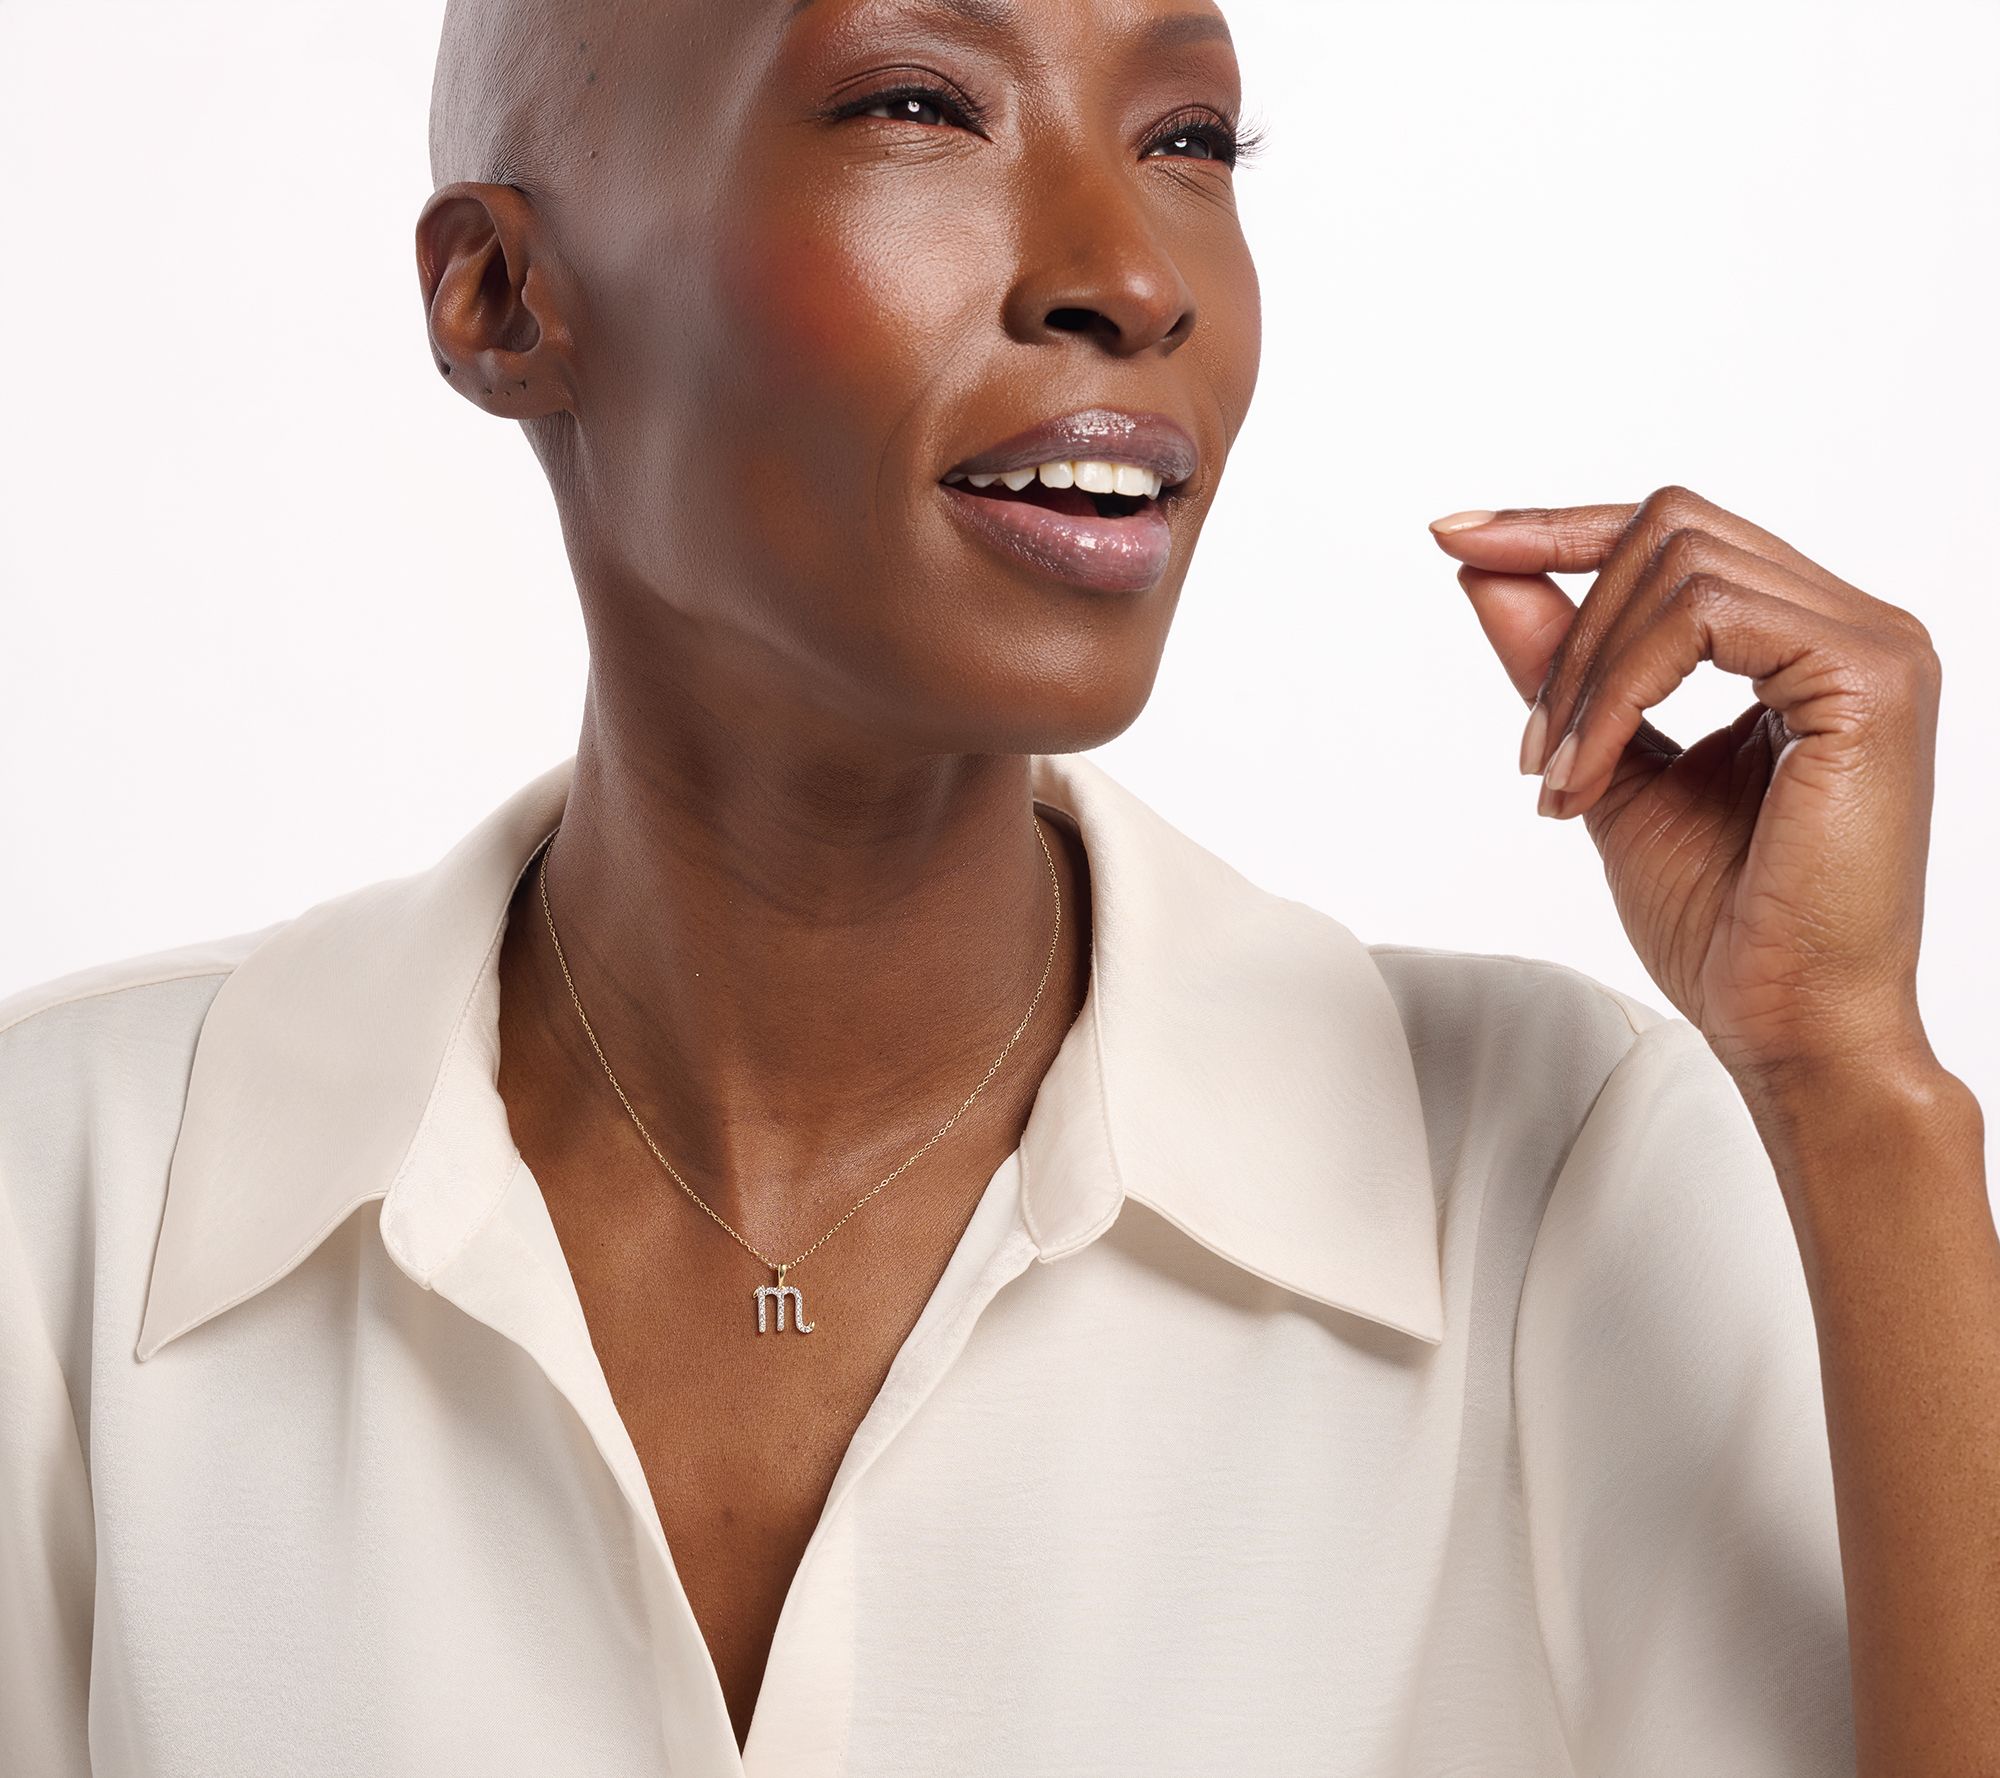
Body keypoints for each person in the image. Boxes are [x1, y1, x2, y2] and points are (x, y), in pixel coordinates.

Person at [2, 0, 1993, 1772]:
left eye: (1189, 138)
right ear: (505, 299)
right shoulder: (65, 1199)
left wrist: (1855, 1088)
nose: (1132, 277)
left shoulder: (1543, 1178)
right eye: (919, 105)